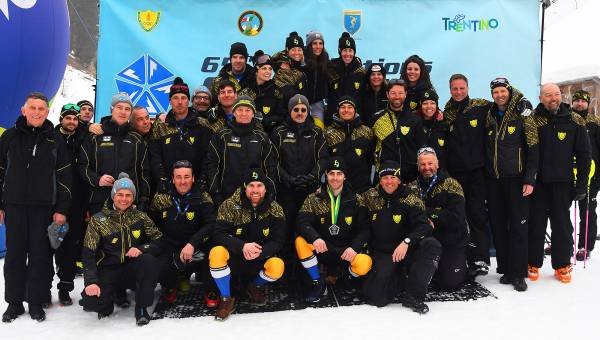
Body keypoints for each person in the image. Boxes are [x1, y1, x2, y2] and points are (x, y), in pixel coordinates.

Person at [0, 92, 72, 323]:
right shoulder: (9, 137)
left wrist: (61, 208)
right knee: (14, 257)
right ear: (24, 110)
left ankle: (36, 302)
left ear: (47, 112)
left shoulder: (55, 139)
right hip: (14, 207)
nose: (37, 112)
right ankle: (14, 302)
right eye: (33, 108)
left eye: (42, 108)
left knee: (41, 257)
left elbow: (64, 177)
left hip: (45, 209)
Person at [81, 173, 163, 326]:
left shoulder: (141, 217)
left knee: (148, 260)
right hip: (108, 269)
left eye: (128, 195)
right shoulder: (98, 220)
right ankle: (112, 295)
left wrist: (141, 249)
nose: (124, 199)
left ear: (133, 198)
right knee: (91, 303)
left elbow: (159, 240)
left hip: (130, 269)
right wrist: (91, 282)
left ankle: (141, 307)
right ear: (113, 195)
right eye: (120, 195)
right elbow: (88, 253)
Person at [528, 83, 591, 283]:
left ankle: (562, 264)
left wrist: (582, 184)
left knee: (562, 226)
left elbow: (584, 155)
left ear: (561, 96)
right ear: (540, 98)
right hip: (537, 184)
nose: (553, 98)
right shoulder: (532, 120)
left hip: (563, 183)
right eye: (548, 95)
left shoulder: (575, 119)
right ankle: (533, 262)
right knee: (536, 225)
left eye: (556, 94)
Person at [362, 160, 441, 313]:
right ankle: (398, 278)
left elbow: (424, 225)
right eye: (385, 177)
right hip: (384, 253)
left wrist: (407, 241)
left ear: (399, 179)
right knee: (376, 298)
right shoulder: (369, 197)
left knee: (432, 245)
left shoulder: (410, 198)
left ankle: (414, 296)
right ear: (380, 179)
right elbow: (349, 198)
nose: (389, 181)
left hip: (407, 250)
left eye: (393, 177)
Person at [209, 168, 286, 321]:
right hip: (235, 256)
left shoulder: (275, 208)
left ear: (265, 188)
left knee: (277, 266)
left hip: (259, 258)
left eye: (259, 185)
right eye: (251, 185)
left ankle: (255, 286)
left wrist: (261, 251)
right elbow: (219, 234)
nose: (255, 190)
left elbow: (279, 241)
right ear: (245, 187)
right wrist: (242, 246)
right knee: (216, 252)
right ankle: (226, 299)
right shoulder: (230, 204)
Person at [484, 78, 536, 291]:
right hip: (494, 180)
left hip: (517, 180)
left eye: (503, 91)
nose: (499, 95)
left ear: (509, 91)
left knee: (518, 226)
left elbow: (534, 147)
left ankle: (519, 273)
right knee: (498, 225)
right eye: (496, 92)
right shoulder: (488, 113)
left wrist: (530, 178)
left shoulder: (523, 113)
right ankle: (506, 269)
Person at [295, 157, 372, 303]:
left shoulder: (357, 199)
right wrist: (315, 237)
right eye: (331, 173)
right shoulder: (314, 198)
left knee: (364, 263)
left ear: (345, 176)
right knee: (300, 242)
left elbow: (365, 229)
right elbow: (302, 222)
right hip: (324, 248)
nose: (335, 178)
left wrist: (354, 247)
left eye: (339, 173)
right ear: (326, 175)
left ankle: (347, 278)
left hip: (346, 251)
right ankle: (318, 283)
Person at [271, 94, 329, 268]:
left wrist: (312, 177)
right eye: (296, 110)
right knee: (286, 230)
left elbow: (323, 159)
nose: (300, 112)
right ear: (290, 111)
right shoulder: (278, 132)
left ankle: (309, 270)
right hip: (286, 191)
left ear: (308, 111)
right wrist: (288, 179)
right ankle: (287, 270)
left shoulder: (317, 132)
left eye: (303, 109)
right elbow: (273, 161)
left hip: (310, 192)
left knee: (308, 229)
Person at [443, 74, 492, 276]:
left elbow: (503, 101)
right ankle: (460, 258)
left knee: (477, 214)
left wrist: (521, 98)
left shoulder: (480, 106)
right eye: (455, 89)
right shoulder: (446, 114)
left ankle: (480, 259)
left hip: (478, 172)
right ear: (450, 89)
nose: (458, 92)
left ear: (468, 87)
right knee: (458, 217)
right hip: (456, 175)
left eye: (461, 88)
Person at [150, 160, 217, 306]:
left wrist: (193, 243)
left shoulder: (203, 196)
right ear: (172, 179)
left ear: (193, 178)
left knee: (215, 249)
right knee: (158, 259)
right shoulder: (162, 198)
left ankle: (211, 289)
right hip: (171, 244)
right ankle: (170, 285)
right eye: (178, 177)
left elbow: (211, 224)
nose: (183, 181)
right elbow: (151, 224)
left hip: (197, 244)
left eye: (187, 177)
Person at [78, 92, 151, 214]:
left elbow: (144, 172)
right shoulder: (95, 136)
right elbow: (82, 166)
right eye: (119, 107)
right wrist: (98, 179)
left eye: (127, 109)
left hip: (128, 201)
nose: (123, 112)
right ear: (112, 109)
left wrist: (143, 198)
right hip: (99, 201)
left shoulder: (137, 139)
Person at [410, 148, 468, 292]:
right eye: (422, 164)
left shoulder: (452, 184)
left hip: (452, 239)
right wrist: (439, 213)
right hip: (427, 241)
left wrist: (427, 212)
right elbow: (409, 215)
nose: (427, 168)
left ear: (437, 164)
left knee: (450, 284)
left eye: (430, 163)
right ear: (418, 166)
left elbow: (457, 218)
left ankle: (464, 262)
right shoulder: (411, 187)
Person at [204, 96, 278, 205]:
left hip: (255, 198)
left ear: (253, 114)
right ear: (234, 113)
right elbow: (212, 165)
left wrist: (269, 192)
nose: (244, 113)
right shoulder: (221, 135)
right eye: (240, 110)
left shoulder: (262, 137)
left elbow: (270, 166)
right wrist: (216, 193)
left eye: (248, 110)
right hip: (226, 197)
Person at [149, 77, 212, 194]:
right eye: (175, 98)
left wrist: (202, 180)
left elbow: (208, 156)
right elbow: (155, 155)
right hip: (168, 187)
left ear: (189, 101)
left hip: (196, 186)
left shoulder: (202, 124)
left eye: (183, 98)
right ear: (170, 100)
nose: (179, 102)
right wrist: (162, 180)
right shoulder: (160, 125)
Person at [53, 104, 88, 306]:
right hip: (51, 201)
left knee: (71, 246)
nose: (72, 122)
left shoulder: (82, 138)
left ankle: (65, 289)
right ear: (61, 119)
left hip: (76, 201)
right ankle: (42, 289)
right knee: (50, 244)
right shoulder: (51, 137)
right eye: (68, 118)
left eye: (75, 119)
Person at [372, 79, 426, 183]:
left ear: (405, 94)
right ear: (387, 94)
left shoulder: (414, 119)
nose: (397, 96)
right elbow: (371, 147)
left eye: (400, 93)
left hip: (410, 176)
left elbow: (421, 147)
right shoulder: (376, 119)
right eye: (393, 93)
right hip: (385, 175)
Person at [571, 89, 600, 260]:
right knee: (558, 211)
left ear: (587, 104)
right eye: (577, 101)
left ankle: (585, 246)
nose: (580, 104)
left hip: (590, 175)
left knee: (587, 211)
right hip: (567, 173)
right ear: (572, 102)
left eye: (583, 101)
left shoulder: (594, 123)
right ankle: (562, 242)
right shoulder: (566, 119)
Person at [325, 96, 374, 193]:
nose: (346, 110)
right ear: (338, 110)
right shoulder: (328, 133)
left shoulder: (367, 131)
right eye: (343, 107)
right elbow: (325, 161)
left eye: (350, 107)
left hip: (362, 187)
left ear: (355, 110)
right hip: (337, 188)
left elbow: (371, 160)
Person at [239, 50, 285, 133]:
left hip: (269, 133)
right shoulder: (246, 89)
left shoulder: (275, 90)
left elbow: (281, 115)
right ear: (257, 71)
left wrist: (267, 121)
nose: (268, 72)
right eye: (264, 68)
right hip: (246, 132)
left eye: (270, 69)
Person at [326, 32, 366, 125]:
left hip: (356, 120)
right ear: (340, 51)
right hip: (334, 120)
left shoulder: (361, 72)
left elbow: (363, 97)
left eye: (350, 50)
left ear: (354, 52)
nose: (348, 54)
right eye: (345, 50)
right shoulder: (331, 69)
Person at [272, 32, 308, 106]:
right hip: (289, 110)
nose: (297, 53)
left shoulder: (302, 65)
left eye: (299, 49)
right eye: (293, 50)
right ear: (287, 51)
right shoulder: (283, 69)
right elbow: (289, 95)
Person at [415, 89, 448, 169]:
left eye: (432, 103)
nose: (429, 106)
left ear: (437, 105)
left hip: (440, 171)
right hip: (418, 170)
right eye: (425, 103)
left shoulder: (444, 124)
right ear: (421, 105)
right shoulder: (414, 124)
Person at [304, 30, 329, 129]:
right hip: (301, 103)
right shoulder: (302, 59)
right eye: (314, 43)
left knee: (319, 130)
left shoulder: (326, 59)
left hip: (318, 105)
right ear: (309, 45)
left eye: (320, 43)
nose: (318, 46)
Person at [358, 63, 388, 127]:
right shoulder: (362, 94)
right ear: (369, 77)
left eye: (379, 74)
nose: (376, 77)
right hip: (367, 131)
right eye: (373, 74)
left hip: (386, 131)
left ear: (383, 77)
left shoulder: (389, 93)